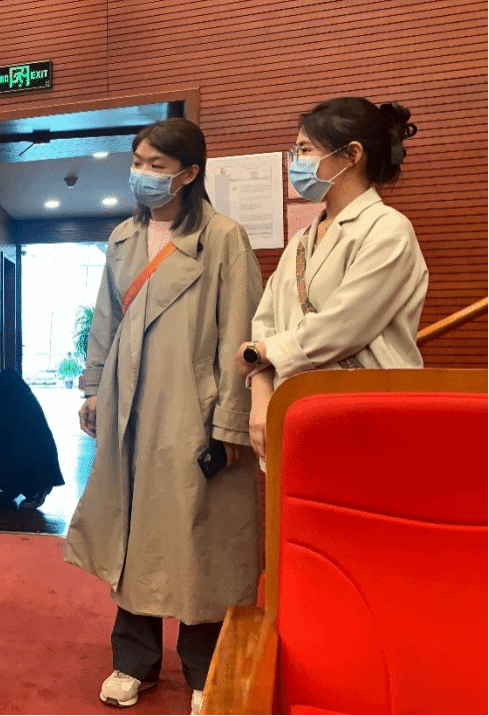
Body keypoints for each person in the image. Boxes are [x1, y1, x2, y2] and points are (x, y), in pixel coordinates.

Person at [63, 119, 262, 715]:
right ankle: (134, 661)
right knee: (132, 529)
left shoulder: (223, 237)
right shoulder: (123, 237)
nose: (142, 174)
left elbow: (239, 332)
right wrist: (93, 389)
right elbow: (105, 321)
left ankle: (204, 667)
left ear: (189, 173)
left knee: (200, 538)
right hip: (129, 405)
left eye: (156, 165)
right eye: (138, 161)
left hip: (192, 407)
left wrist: (229, 421)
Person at [238, 98, 428, 460]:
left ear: (352, 154)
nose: (296, 162)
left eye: (305, 150)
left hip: (367, 418)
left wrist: (263, 352)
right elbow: (265, 320)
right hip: (298, 414)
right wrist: (261, 394)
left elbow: (343, 326)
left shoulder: (388, 230)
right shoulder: (301, 240)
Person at [0, 362, 64, 509]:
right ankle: (14, 487)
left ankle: (35, 489)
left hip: (38, 457)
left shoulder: (8, 381)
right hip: (24, 454)